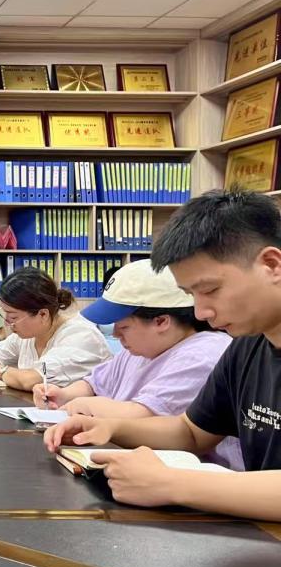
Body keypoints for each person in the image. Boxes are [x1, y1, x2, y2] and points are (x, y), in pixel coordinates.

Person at [45, 190, 281, 519]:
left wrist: (171, 483)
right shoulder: (246, 346)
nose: (200, 312)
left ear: (271, 265)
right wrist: (110, 428)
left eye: (210, 290)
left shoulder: (223, 344)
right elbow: (192, 432)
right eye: (191, 295)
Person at [30, 259, 240, 470]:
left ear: (161, 321)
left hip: (192, 474)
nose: (115, 334)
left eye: (124, 327)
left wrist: (86, 406)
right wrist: (64, 395)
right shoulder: (141, 349)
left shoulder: (202, 355)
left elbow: (142, 418)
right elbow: (94, 383)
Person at [0, 267, 110, 391]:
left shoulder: (80, 336)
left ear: (43, 314)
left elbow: (31, 380)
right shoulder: (28, 334)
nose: (7, 323)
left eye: (13, 317)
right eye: (4, 314)